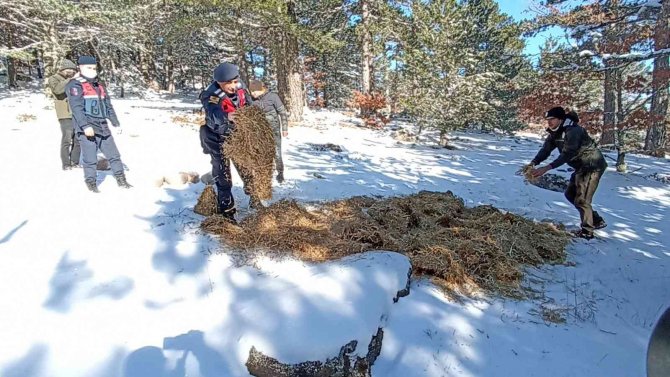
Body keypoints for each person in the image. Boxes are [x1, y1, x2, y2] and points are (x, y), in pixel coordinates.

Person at [529, 106, 608, 239]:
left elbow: (568, 154)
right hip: (580, 167)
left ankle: (587, 232)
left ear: (561, 119)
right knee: (570, 194)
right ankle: (596, 220)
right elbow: (545, 150)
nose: (549, 122)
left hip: (591, 165)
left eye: (552, 119)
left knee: (582, 199)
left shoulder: (573, 131)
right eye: (548, 119)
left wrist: (547, 168)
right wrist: (533, 163)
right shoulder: (555, 132)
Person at [199, 62, 255, 223]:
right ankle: (227, 211)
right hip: (216, 138)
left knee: (246, 167)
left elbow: (249, 103)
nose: (232, 86)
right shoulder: (211, 94)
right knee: (223, 175)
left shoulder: (240, 87)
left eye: (234, 81)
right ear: (219, 83)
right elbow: (213, 112)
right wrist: (226, 117)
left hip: (236, 137)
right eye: (227, 84)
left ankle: (255, 198)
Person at [66, 56, 131, 193]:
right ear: (81, 68)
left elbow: (107, 105)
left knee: (114, 155)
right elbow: (76, 108)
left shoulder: (99, 85)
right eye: (89, 67)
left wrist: (116, 122)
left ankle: (121, 179)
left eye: (94, 67)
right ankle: (91, 183)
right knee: (90, 158)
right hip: (87, 126)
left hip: (102, 124)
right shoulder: (75, 85)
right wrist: (85, 126)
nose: (92, 70)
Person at [248, 80, 289, 183]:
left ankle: (280, 173)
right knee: (261, 152)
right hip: (260, 131)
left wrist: (284, 128)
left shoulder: (273, 97)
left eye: (255, 91)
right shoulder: (252, 100)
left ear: (261, 89)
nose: (253, 94)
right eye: (251, 91)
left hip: (274, 130)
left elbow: (282, 113)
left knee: (277, 152)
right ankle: (265, 172)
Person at [46, 59, 81, 170]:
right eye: (68, 69)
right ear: (62, 69)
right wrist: (71, 80)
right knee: (67, 137)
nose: (71, 71)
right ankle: (66, 163)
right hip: (64, 113)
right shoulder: (54, 78)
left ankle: (75, 162)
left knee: (78, 138)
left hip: (77, 112)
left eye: (73, 69)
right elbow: (57, 90)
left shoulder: (75, 80)